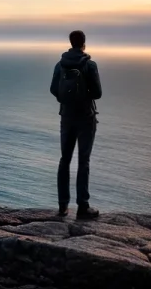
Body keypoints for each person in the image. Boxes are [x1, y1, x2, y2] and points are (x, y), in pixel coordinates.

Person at [50, 30, 102, 219]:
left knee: (65, 159)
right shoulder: (89, 65)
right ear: (84, 44)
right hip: (86, 118)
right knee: (83, 161)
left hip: (66, 116)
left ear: (70, 43)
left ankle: (63, 206)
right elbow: (97, 93)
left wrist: (66, 101)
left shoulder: (60, 64)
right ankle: (83, 206)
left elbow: (53, 89)